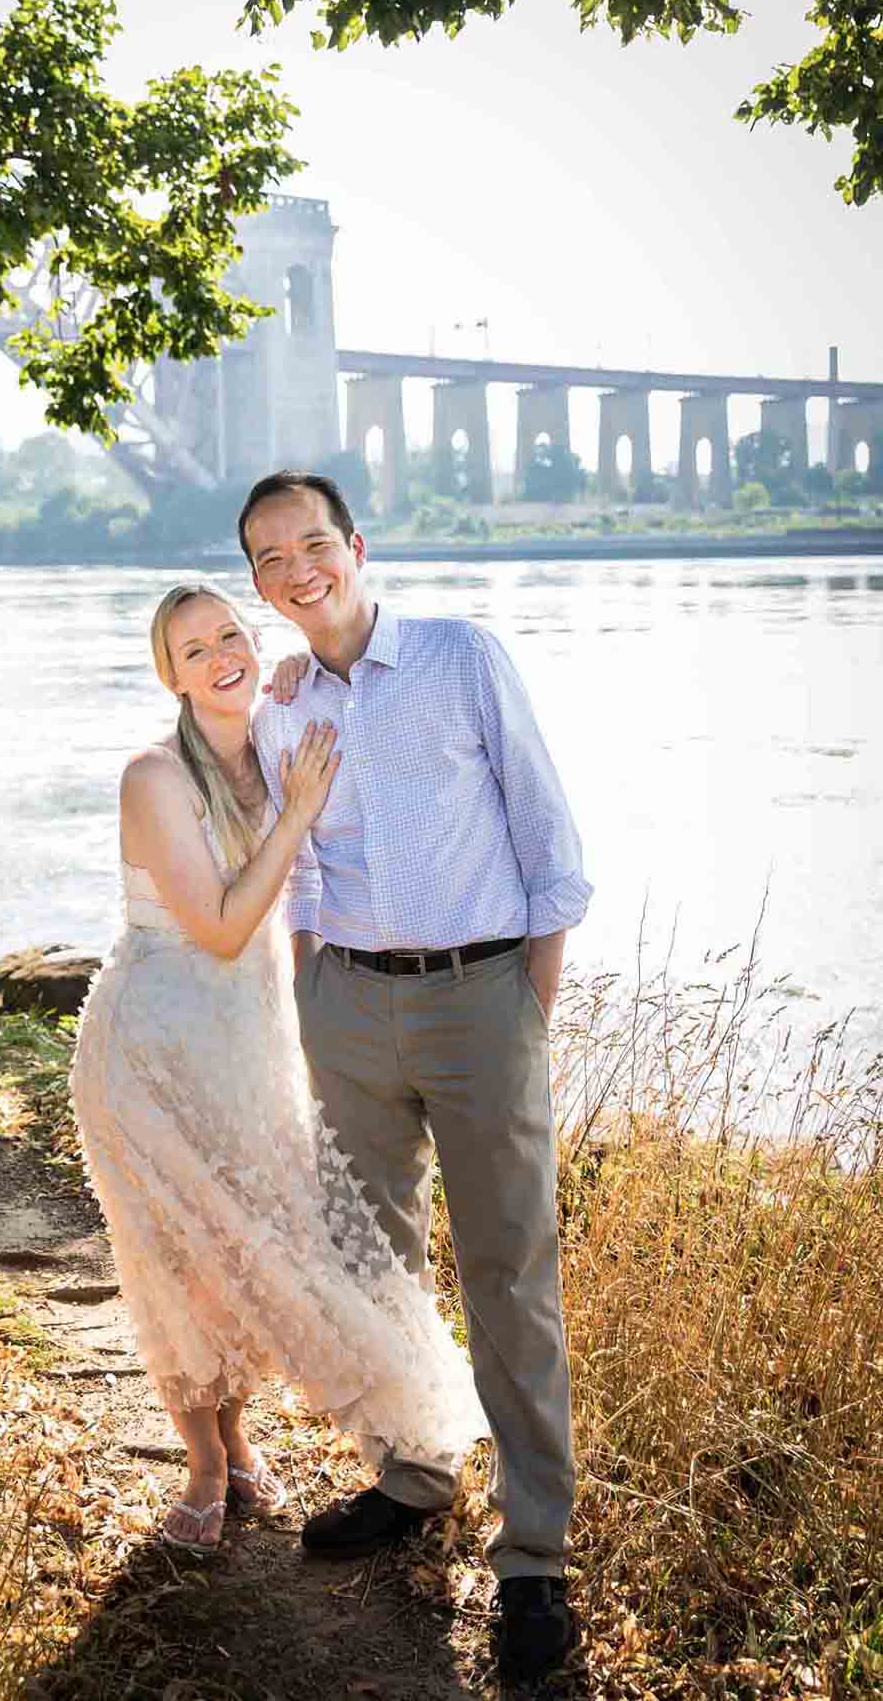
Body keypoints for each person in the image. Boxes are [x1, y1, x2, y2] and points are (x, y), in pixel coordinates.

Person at [244, 472, 592, 1684]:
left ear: (355, 547)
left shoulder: (460, 656)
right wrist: (307, 999)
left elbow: (550, 844)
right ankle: (416, 1471)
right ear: (257, 584)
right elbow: (291, 866)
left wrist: (523, 1004)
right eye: (272, 557)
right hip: (348, 1001)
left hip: (481, 997)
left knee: (510, 1273)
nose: (299, 570)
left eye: (314, 544)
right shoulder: (281, 706)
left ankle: (536, 1555)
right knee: (374, 1258)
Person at [69, 581, 485, 1558]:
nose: (220, 656)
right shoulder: (154, 778)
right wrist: (296, 816)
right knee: (177, 1258)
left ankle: (264, 1436)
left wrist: (299, 678)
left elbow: (354, 727)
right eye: (193, 648)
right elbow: (216, 927)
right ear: (167, 674)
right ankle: (207, 1466)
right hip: (151, 1049)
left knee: (253, 1249)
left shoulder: (271, 734)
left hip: (248, 1042)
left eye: (231, 635)